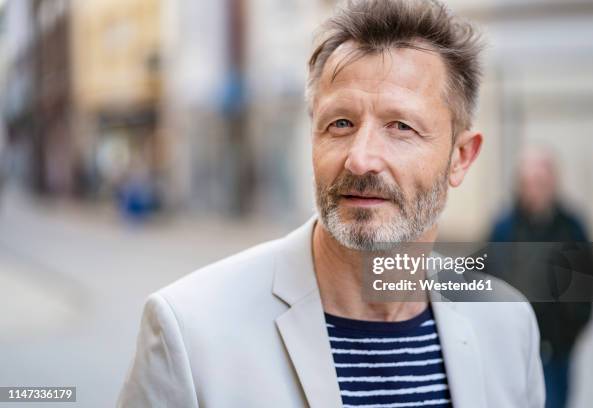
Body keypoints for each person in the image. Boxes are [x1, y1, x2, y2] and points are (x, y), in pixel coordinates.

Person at [118, 1, 545, 406]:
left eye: (401, 127)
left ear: (461, 157)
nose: (360, 158)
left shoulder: (507, 324)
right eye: (340, 123)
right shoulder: (189, 333)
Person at [489, 146, 593, 408]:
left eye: (539, 182)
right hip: (511, 350)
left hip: (555, 353)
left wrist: (566, 333)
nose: (532, 190)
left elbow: (587, 285)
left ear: (553, 182)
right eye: (526, 183)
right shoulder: (503, 228)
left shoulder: (572, 228)